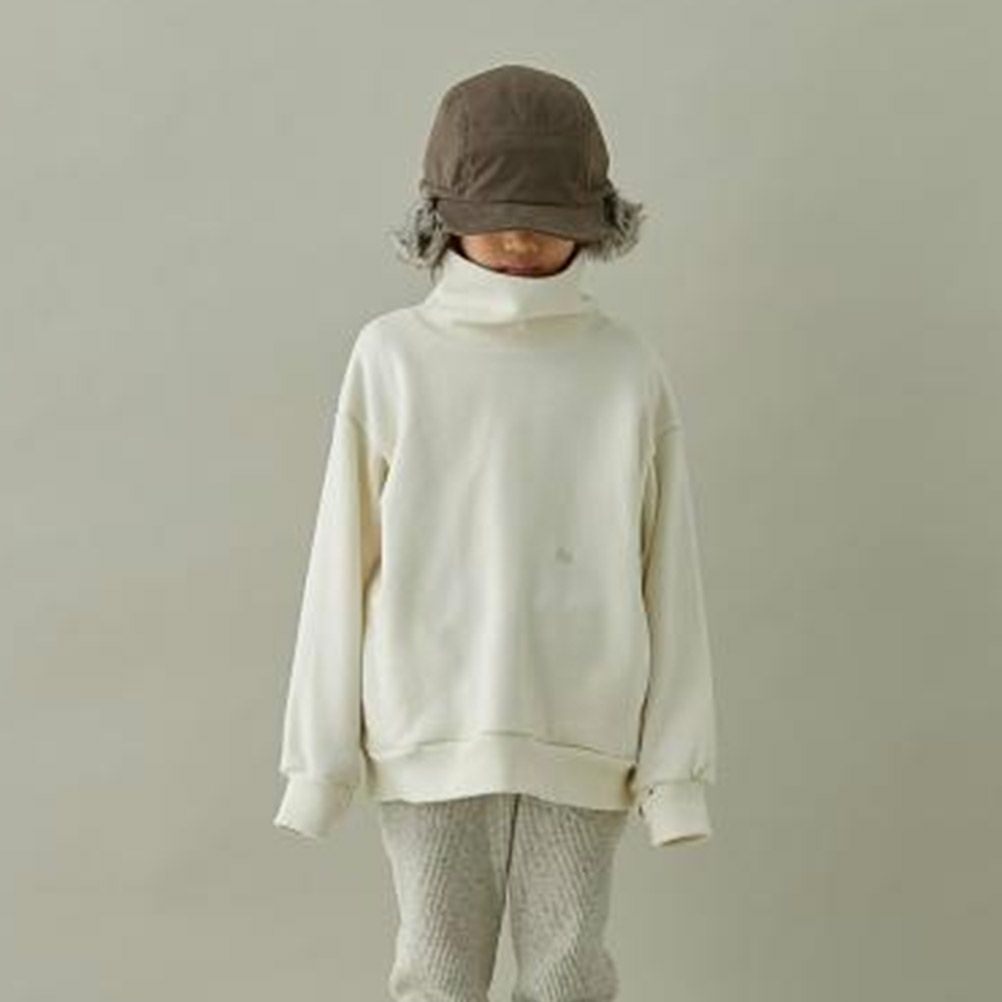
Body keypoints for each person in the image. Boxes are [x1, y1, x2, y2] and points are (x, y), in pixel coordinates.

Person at [272, 63, 718, 1002]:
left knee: (568, 977)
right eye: (496, 212)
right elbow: (340, 564)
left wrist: (675, 776)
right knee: (435, 973)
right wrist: (319, 765)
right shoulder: (392, 357)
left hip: (586, 731)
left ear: (596, 218)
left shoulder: (625, 370)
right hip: (426, 729)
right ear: (441, 213)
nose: (518, 237)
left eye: (545, 214)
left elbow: (668, 577)